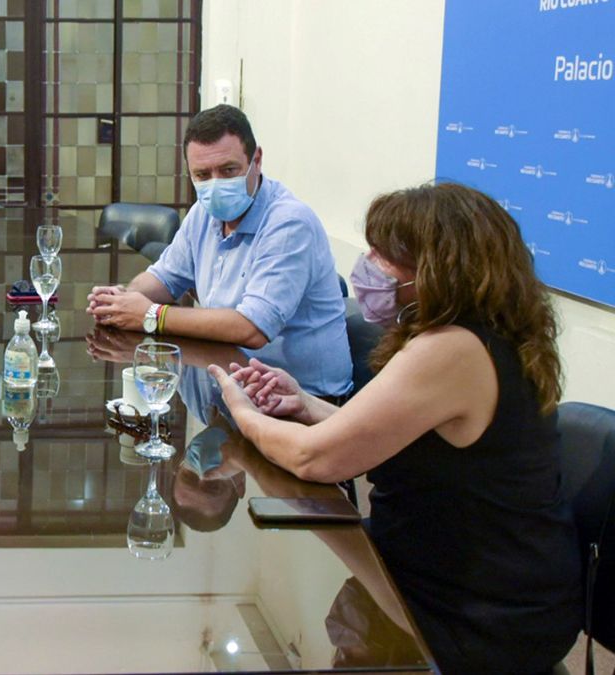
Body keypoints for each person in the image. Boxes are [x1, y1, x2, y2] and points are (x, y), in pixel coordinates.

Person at [209, 183, 582, 673]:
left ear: (441, 268)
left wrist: (244, 415)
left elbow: (313, 458)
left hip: (484, 612)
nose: (369, 264)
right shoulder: (485, 337)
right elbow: (406, 441)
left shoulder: (453, 349)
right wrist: (304, 403)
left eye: (385, 255)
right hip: (442, 566)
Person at [86, 105, 350, 399]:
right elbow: (164, 278)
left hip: (303, 401)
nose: (216, 185)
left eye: (228, 171)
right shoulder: (203, 214)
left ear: (256, 160)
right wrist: (121, 300)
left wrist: (151, 315)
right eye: (202, 175)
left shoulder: (288, 223)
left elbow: (252, 328)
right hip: (233, 384)